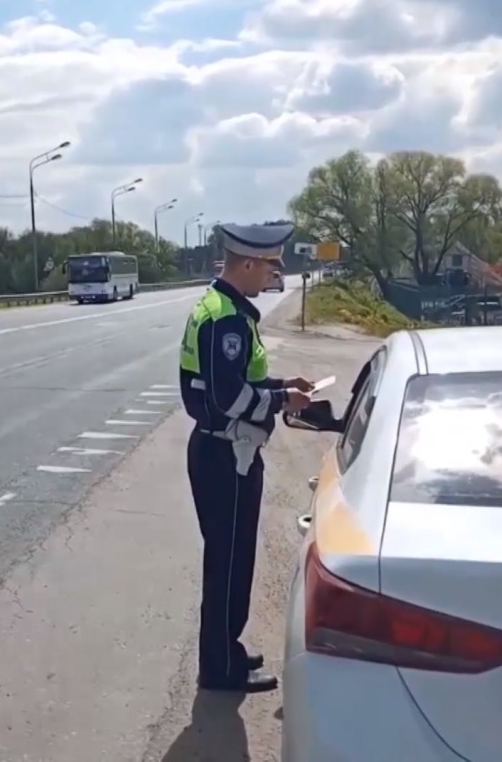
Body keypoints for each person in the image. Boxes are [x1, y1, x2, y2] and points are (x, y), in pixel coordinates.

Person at [178, 223, 313, 693]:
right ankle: (220, 668)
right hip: (225, 455)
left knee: (230, 560)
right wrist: (279, 403)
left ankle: (226, 649)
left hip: (223, 451)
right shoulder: (227, 319)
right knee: (229, 564)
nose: (275, 274)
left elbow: (237, 382)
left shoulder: (225, 309)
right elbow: (226, 395)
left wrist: (281, 387)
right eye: (272, 265)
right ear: (249, 263)